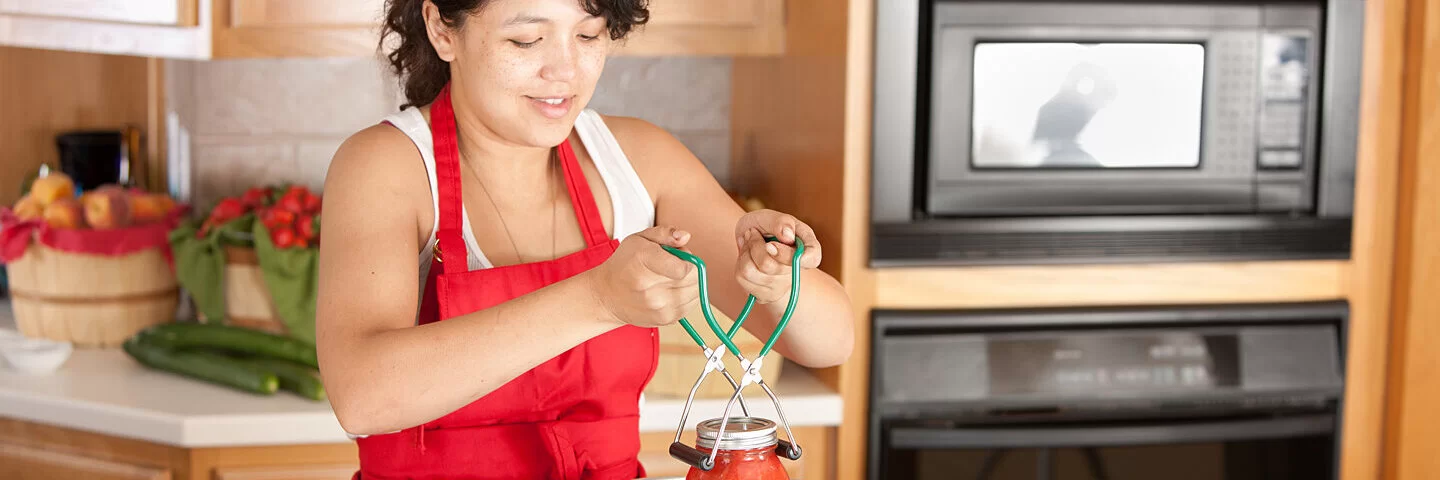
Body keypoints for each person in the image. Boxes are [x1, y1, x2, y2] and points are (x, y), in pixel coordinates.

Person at [314, 0, 856, 478]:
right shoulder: (387, 166)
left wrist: (775, 277)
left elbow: (831, 342)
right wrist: (599, 299)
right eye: (526, 39)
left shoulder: (638, 159)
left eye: (589, 34)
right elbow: (363, 397)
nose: (565, 70)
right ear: (443, 30)